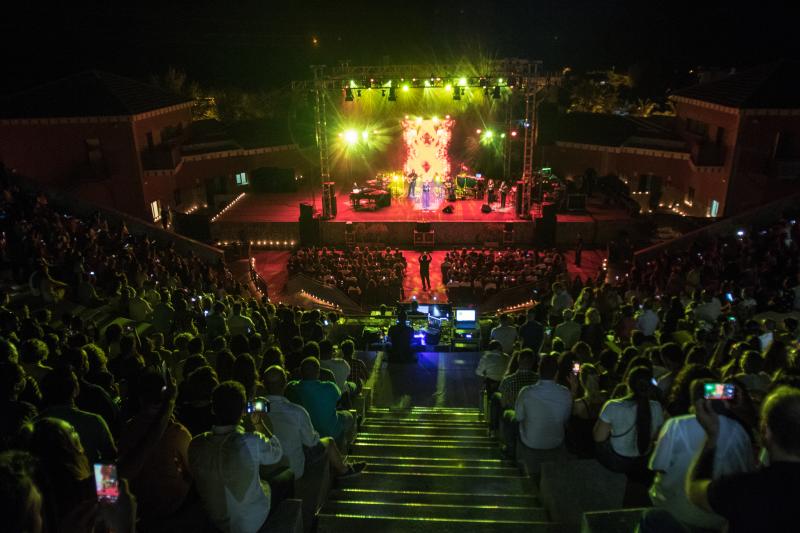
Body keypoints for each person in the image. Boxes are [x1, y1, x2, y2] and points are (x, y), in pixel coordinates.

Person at [683, 385, 800, 533]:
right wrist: (746, 414)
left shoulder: (744, 489)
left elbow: (694, 489)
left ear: (765, 431)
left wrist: (711, 437)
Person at [646, 380, 754, 532]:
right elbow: (747, 471)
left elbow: (658, 466)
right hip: (717, 515)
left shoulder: (675, 425)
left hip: (673, 510)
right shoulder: (738, 430)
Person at [188, 380, 283, 533]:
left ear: (213, 408)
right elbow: (277, 453)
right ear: (243, 410)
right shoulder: (251, 441)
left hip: (215, 521)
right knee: (282, 478)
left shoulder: (195, 444)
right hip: (250, 522)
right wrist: (259, 424)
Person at [263, 366, 365, 480]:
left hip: (263, 469)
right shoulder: (297, 411)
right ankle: (344, 470)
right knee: (328, 442)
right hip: (293, 470)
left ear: (264, 384)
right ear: (284, 383)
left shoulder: (255, 411)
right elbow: (311, 442)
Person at [593, 366, 663, 489]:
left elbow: (598, 438)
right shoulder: (657, 407)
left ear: (628, 383)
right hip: (643, 461)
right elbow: (657, 436)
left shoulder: (613, 406)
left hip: (618, 462)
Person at [39, 367, 117, 464]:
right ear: (75, 389)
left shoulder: (35, 422)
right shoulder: (93, 421)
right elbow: (109, 458)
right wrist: (104, 480)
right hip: (87, 477)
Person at [285, 358, 354, 451]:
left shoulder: (291, 387)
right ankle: (347, 450)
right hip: (330, 432)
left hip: (304, 433)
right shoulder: (330, 387)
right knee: (349, 415)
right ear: (318, 372)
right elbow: (339, 400)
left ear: (300, 372)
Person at [515, 354, 572, 453]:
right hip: (556, 442)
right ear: (556, 373)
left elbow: (518, 417)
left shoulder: (526, 392)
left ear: (538, 371)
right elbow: (565, 418)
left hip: (530, 442)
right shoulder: (565, 393)